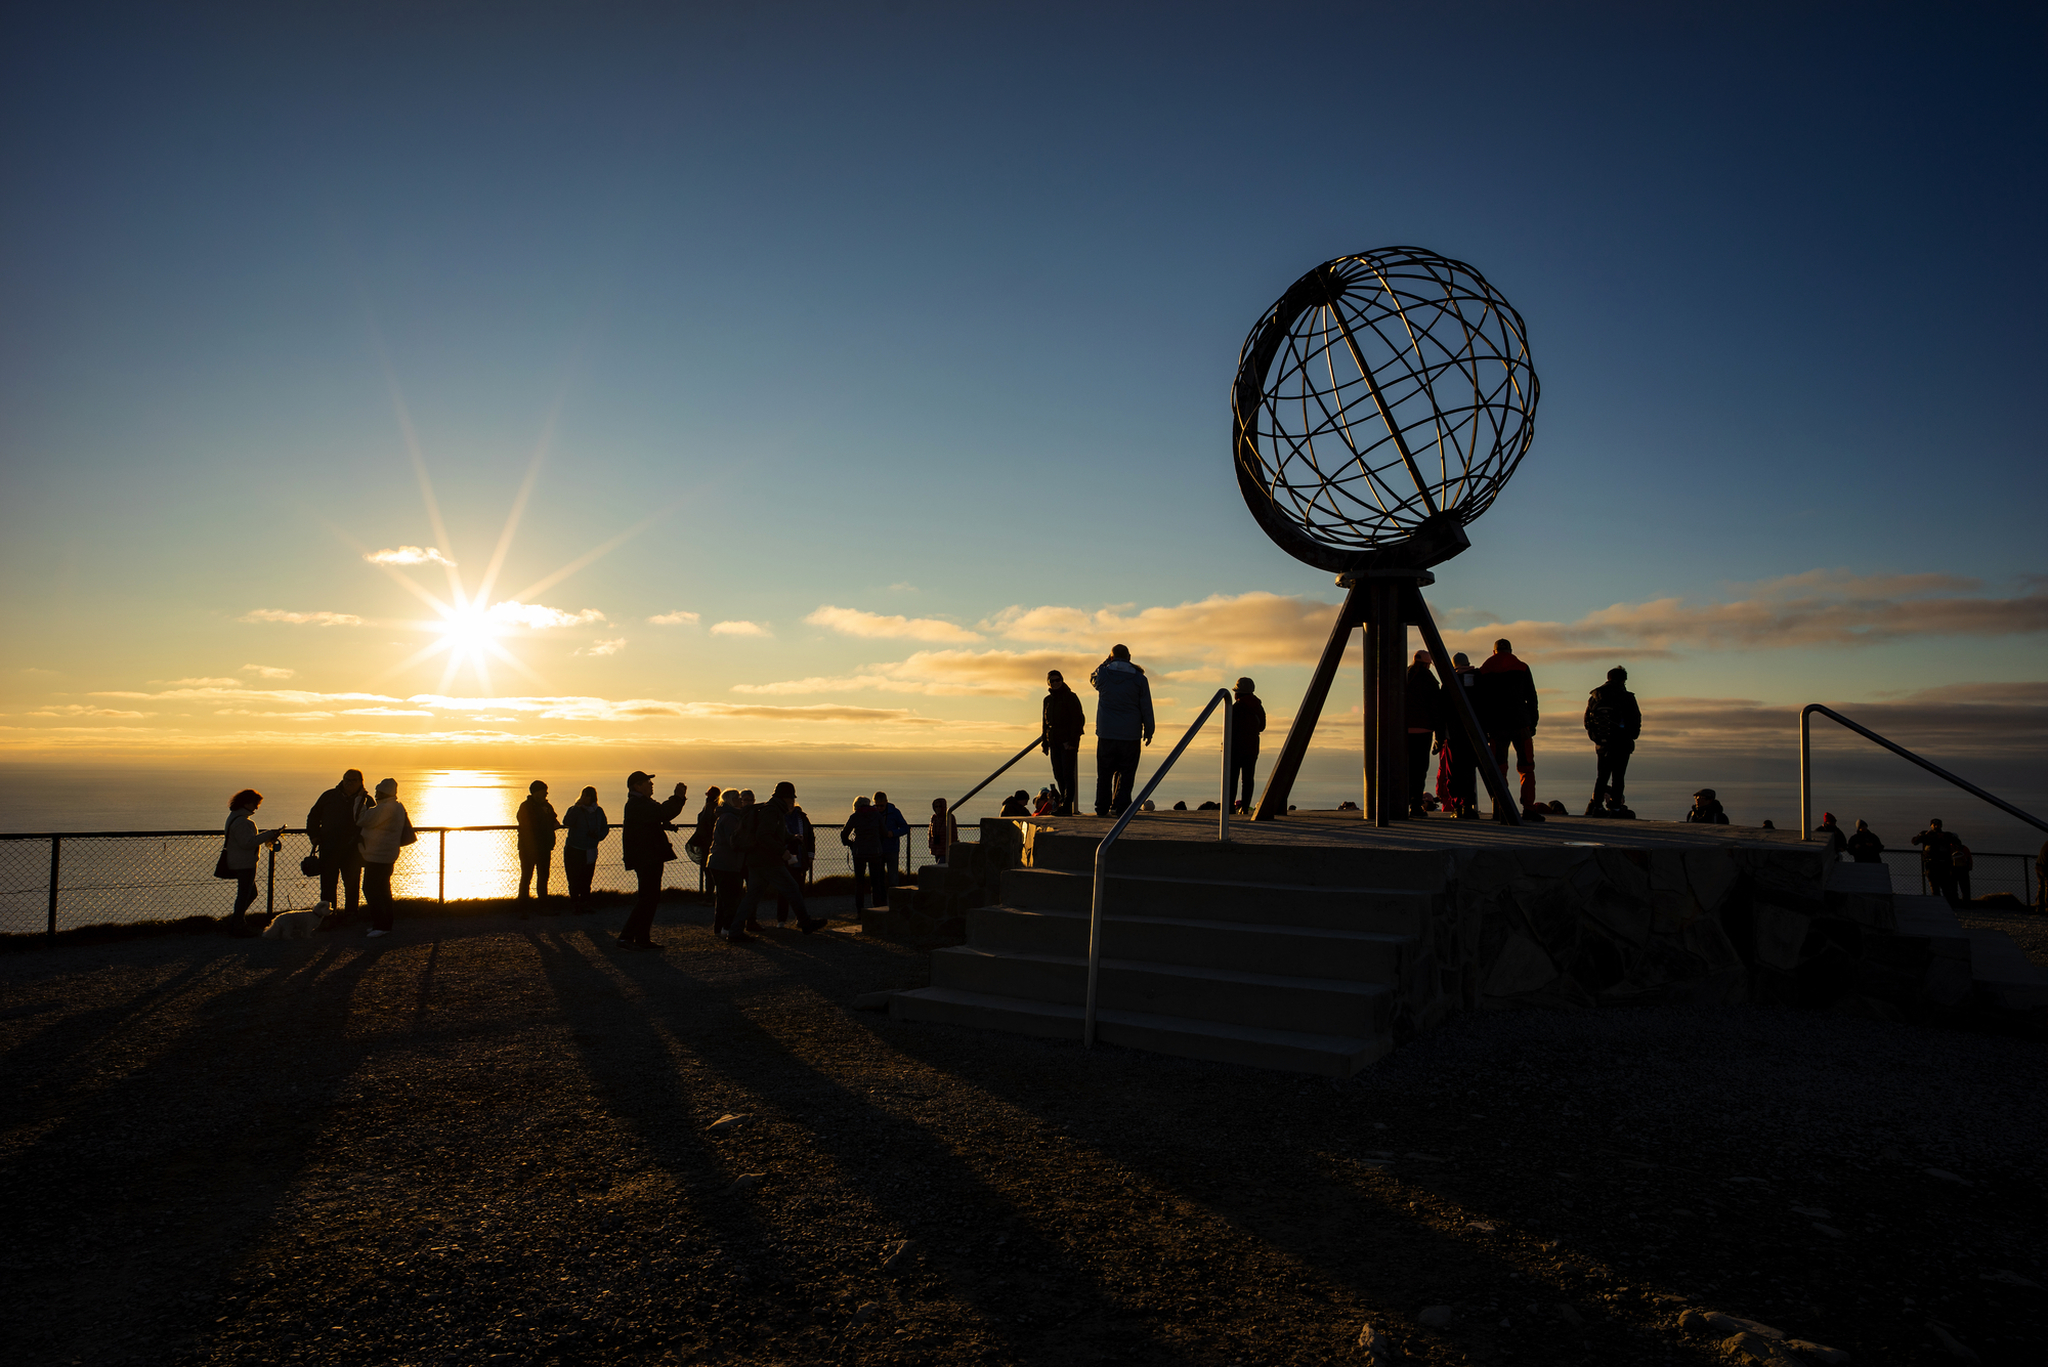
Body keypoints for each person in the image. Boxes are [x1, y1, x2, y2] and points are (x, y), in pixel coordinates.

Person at [736, 782, 826, 934]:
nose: (792, 801)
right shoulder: (773, 811)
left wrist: (792, 838)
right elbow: (764, 835)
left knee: (752, 896)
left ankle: (735, 931)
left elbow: (773, 833)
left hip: (756, 860)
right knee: (792, 888)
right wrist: (782, 851)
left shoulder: (769, 808)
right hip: (769, 861)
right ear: (785, 797)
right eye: (791, 798)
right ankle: (805, 922)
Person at [618, 771, 688, 950]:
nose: (651, 784)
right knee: (648, 898)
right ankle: (627, 937)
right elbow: (663, 812)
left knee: (650, 897)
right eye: (647, 782)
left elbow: (658, 816)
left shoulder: (641, 803)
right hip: (646, 857)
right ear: (637, 786)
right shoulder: (638, 804)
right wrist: (678, 797)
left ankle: (641, 937)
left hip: (648, 856)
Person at [1475, 638, 1542, 820]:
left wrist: (1484, 727)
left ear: (1494, 651)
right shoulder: (1522, 667)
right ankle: (1528, 808)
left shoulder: (1484, 670)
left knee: (1499, 768)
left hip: (1497, 727)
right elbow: (1532, 698)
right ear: (1510, 650)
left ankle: (1500, 807)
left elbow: (1480, 703)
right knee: (1527, 767)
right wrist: (1532, 723)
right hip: (1521, 725)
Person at [1090, 644, 1154, 817]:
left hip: (1107, 733)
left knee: (1104, 773)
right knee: (1127, 773)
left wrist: (1106, 661)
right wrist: (1149, 730)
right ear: (1129, 657)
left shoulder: (1103, 674)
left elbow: (1092, 677)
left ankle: (1102, 808)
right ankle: (1121, 806)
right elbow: (1146, 706)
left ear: (1111, 657)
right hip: (1130, 734)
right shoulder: (1140, 679)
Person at [305, 769, 368, 925]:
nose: (349, 782)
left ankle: (351, 915)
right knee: (328, 885)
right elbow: (313, 816)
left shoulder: (366, 801)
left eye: (353, 780)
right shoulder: (329, 796)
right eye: (347, 779)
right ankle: (327, 917)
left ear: (360, 782)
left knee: (352, 884)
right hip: (329, 848)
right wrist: (314, 835)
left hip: (353, 851)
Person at [220, 789, 285, 937]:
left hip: (240, 861)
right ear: (247, 803)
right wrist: (268, 834)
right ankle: (237, 925)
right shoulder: (242, 821)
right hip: (243, 863)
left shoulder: (235, 817)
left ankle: (235, 921)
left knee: (249, 893)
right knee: (245, 894)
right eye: (255, 804)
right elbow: (247, 843)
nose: (256, 808)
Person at [355, 778, 413, 938]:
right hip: (387, 854)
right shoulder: (397, 806)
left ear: (383, 792)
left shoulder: (384, 808)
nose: (375, 793)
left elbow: (361, 820)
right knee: (383, 889)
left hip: (378, 856)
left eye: (378, 791)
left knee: (370, 889)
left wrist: (360, 799)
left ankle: (381, 925)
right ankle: (385, 924)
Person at [1583, 666, 1642, 817]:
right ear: (1624, 679)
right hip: (1622, 743)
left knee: (1602, 775)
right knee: (1618, 776)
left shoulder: (1595, 696)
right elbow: (1635, 718)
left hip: (1602, 744)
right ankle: (1615, 808)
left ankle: (1597, 806)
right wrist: (1632, 735)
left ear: (1608, 677)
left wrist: (1596, 737)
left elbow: (1587, 720)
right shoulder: (1627, 697)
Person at [1439, 652, 1483, 819]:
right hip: (1474, 733)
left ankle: (1458, 806)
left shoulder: (1449, 682)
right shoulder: (1479, 679)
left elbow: (1441, 709)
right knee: (1469, 769)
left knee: (1454, 771)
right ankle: (1469, 805)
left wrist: (1440, 734)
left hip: (1453, 733)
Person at [1041, 669, 1087, 816]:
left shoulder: (1070, 697)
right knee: (1058, 774)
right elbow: (1045, 723)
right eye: (1052, 680)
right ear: (1048, 682)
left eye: (1057, 680)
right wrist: (1045, 742)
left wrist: (1072, 741)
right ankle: (1064, 804)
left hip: (1067, 743)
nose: (1055, 683)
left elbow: (1078, 720)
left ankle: (1067, 806)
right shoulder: (1047, 700)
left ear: (1062, 680)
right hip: (1054, 742)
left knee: (1068, 775)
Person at [707, 789, 749, 940]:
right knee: (732, 898)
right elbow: (735, 842)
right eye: (738, 798)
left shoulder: (725, 817)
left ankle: (720, 928)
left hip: (719, 862)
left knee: (723, 897)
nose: (741, 800)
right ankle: (729, 929)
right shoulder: (731, 818)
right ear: (732, 800)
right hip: (727, 864)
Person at [562, 786, 610, 915]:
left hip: (590, 850)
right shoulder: (575, 810)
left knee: (587, 879)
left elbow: (605, 827)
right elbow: (567, 821)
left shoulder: (599, 811)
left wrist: (599, 836)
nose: (585, 798)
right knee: (573, 879)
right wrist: (577, 807)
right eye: (583, 795)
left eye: (587, 796)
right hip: (574, 849)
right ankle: (575, 904)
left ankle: (585, 903)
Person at [516, 780, 561, 916]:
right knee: (526, 878)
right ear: (536, 792)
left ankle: (543, 906)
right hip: (528, 848)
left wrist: (553, 822)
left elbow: (555, 820)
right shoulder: (525, 807)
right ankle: (523, 908)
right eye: (544, 790)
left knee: (543, 877)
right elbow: (527, 824)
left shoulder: (547, 806)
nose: (546, 793)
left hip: (544, 847)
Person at [1402, 654, 1439, 818]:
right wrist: (1440, 734)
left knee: (1404, 768)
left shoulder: (1404, 677)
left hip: (1403, 730)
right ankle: (1415, 805)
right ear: (1428, 664)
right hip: (1424, 730)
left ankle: (1401, 803)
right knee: (1419, 770)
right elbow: (1436, 709)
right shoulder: (1430, 681)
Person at [773, 793, 816, 927]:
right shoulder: (778, 817)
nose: (790, 805)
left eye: (792, 803)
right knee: (783, 890)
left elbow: (810, 837)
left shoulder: (802, 818)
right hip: (783, 858)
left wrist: (810, 855)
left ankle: (800, 918)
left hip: (800, 858)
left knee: (799, 889)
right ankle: (781, 919)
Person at [841, 796, 887, 912]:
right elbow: (884, 832)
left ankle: (860, 910)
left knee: (859, 882)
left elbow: (844, 833)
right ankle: (877, 908)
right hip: (875, 851)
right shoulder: (877, 815)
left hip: (859, 852)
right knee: (876, 881)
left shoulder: (855, 816)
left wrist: (850, 844)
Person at [1229, 677, 1267, 815]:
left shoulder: (1235, 708)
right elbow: (1262, 727)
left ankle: (1229, 807)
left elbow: (1229, 729)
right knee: (1248, 778)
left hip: (1235, 748)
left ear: (1238, 693)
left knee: (1232, 778)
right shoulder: (1258, 706)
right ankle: (1244, 807)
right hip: (1252, 747)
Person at [1911, 818, 1962, 906]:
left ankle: (1947, 905)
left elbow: (1958, 843)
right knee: (1934, 887)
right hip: (1931, 864)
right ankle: (1938, 904)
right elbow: (1914, 841)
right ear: (1931, 825)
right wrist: (1924, 836)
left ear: (1941, 825)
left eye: (1938, 824)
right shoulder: (1926, 834)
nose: (1936, 826)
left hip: (1944, 864)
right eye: (1934, 824)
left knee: (1946, 887)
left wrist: (1945, 837)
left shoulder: (1946, 835)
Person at [874, 791, 911, 887]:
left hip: (892, 849)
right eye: (877, 806)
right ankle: (880, 899)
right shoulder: (873, 813)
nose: (879, 808)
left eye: (881, 806)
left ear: (886, 802)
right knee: (878, 876)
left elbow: (905, 828)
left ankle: (894, 897)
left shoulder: (894, 812)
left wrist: (893, 833)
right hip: (877, 849)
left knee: (893, 875)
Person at [929, 798, 957, 865]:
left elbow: (953, 833)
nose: (938, 808)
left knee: (940, 866)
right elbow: (930, 833)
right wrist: (931, 844)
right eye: (936, 806)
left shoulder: (950, 817)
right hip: (936, 848)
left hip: (946, 849)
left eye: (940, 806)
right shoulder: (934, 818)